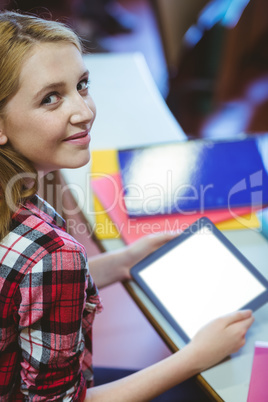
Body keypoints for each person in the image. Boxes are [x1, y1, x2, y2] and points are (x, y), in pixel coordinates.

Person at [0, 10, 254, 401]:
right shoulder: (54, 255)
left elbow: (21, 292)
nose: (84, 113)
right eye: (51, 98)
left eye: (82, 85)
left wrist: (123, 262)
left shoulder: (26, 228)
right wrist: (195, 356)